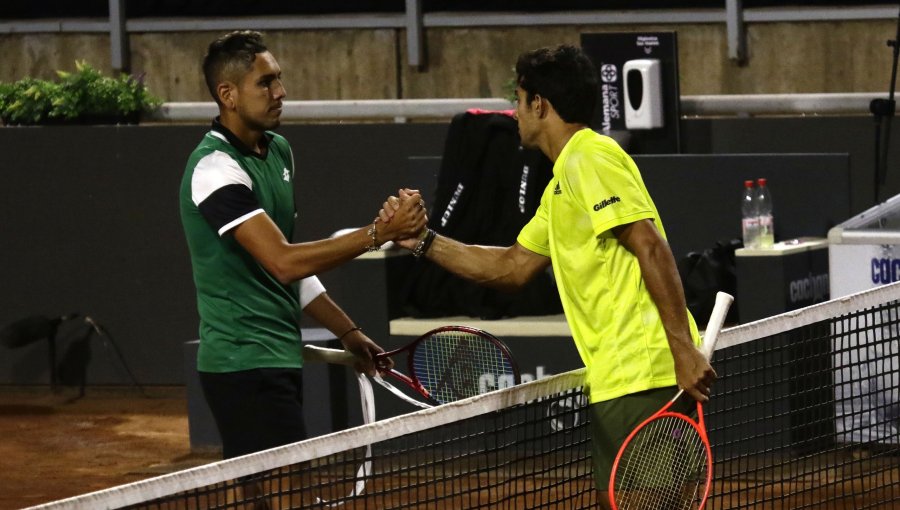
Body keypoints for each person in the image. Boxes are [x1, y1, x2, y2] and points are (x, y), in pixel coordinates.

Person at [382, 44, 715, 505]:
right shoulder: (562, 183)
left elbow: (650, 247)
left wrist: (681, 348)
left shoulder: (591, 159)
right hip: (618, 380)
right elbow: (510, 267)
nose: (513, 112)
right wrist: (422, 240)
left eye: (517, 100)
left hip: (646, 374)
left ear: (539, 103)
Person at [179, 30, 424, 461]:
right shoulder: (214, 169)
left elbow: (286, 270)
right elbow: (284, 263)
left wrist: (347, 332)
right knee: (285, 490)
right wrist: (379, 234)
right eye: (266, 82)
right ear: (228, 94)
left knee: (270, 494)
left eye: (278, 79)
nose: (281, 91)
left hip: (278, 356)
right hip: (243, 364)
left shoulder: (279, 152)